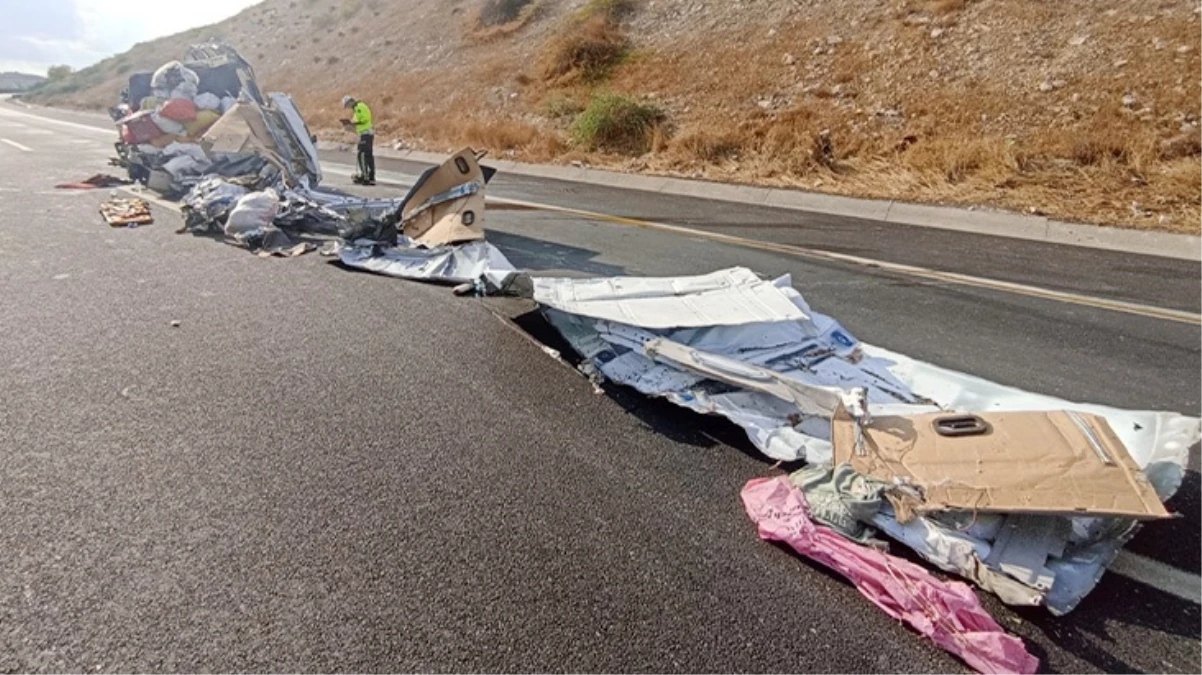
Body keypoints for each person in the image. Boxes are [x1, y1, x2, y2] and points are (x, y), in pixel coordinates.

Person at [341, 95, 375, 185]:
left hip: (365, 133)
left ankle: (365, 176)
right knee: (368, 155)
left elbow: (364, 119)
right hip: (366, 134)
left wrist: (353, 123)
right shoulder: (359, 108)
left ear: (350, 102)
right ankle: (371, 176)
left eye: (347, 105)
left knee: (362, 154)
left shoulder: (359, 107)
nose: (348, 107)